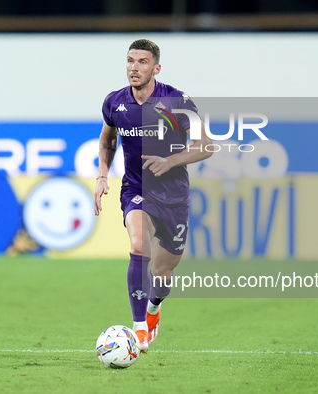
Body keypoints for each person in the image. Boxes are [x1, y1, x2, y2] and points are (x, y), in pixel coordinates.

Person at [94, 39, 212, 352]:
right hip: (136, 188)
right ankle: (139, 329)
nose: (134, 67)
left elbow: (206, 146)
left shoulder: (177, 101)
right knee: (138, 244)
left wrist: (170, 161)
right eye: (130, 61)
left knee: (163, 273)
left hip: (173, 196)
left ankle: (153, 309)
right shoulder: (114, 103)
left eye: (142, 62)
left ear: (156, 68)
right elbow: (108, 140)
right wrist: (103, 175)